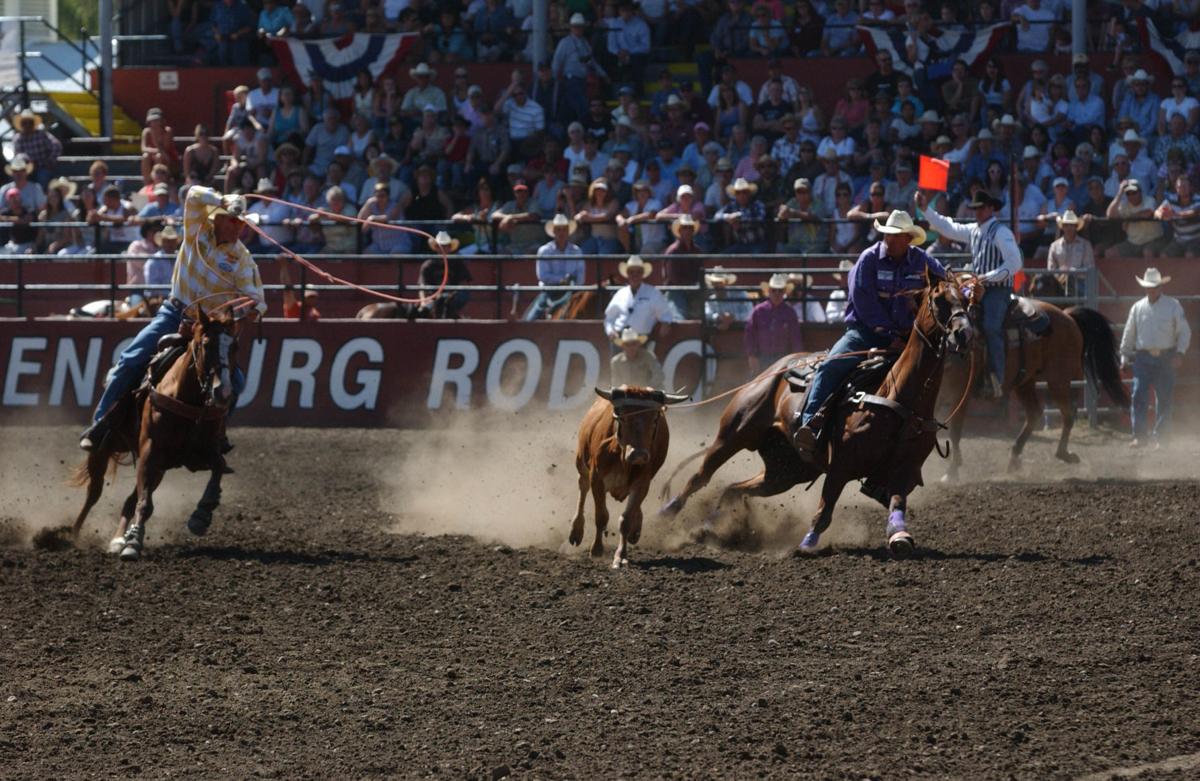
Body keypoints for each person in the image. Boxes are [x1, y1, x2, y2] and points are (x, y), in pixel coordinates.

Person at [79, 187, 265, 451]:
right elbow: (193, 195)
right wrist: (221, 200)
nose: (239, 227)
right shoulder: (196, 233)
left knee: (236, 383)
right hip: (174, 313)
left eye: (242, 222)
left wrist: (243, 311)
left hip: (209, 326)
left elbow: (256, 299)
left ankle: (216, 436)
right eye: (233, 220)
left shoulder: (243, 259)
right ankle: (100, 425)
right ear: (219, 218)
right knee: (130, 359)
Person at [791, 211, 946, 461]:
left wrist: (969, 287)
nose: (890, 239)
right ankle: (809, 424)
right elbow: (864, 303)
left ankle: (917, 434)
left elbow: (945, 284)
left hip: (908, 339)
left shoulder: (922, 261)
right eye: (887, 234)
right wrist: (888, 332)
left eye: (896, 236)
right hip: (866, 334)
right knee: (831, 366)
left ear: (908, 238)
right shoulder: (869, 259)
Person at [917, 190, 1019, 398]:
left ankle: (997, 378)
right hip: (976, 287)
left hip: (997, 289)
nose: (978, 212)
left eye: (981, 208)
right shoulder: (975, 230)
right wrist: (926, 209)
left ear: (991, 208)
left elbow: (1015, 263)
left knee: (991, 326)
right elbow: (949, 227)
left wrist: (986, 277)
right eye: (975, 208)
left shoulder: (1001, 233)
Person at [1119, 268, 1191, 449]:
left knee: (1164, 398)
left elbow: (1184, 332)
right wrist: (1124, 355)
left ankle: (1162, 437)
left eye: (1153, 287)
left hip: (1166, 356)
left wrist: (1180, 353)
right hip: (1143, 357)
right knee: (1138, 394)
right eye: (1148, 287)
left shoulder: (1173, 305)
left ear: (1160, 287)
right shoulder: (1138, 307)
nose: (1150, 290)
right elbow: (1129, 332)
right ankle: (1140, 436)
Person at [525, 214, 585, 320]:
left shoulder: (576, 251)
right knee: (531, 318)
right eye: (558, 229)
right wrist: (562, 280)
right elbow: (543, 276)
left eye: (564, 229)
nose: (561, 233)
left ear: (568, 232)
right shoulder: (544, 251)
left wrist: (571, 284)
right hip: (549, 291)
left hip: (571, 291)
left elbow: (581, 276)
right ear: (553, 232)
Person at [604, 255, 674, 341]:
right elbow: (609, 318)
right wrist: (610, 331)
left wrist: (665, 323)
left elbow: (666, 314)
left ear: (642, 274)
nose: (635, 275)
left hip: (642, 339)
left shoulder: (653, 293)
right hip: (620, 338)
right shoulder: (620, 293)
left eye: (638, 272)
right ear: (627, 275)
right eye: (631, 272)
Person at [744, 273, 803, 374]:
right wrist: (752, 356)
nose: (777, 293)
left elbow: (795, 337)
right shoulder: (759, 311)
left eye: (780, 290)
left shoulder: (790, 312)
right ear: (769, 291)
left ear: (784, 292)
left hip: (783, 359)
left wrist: (797, 357)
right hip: (762, 357)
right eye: (774, 290)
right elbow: (750, 334)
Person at [1045, 211, 1093, 298]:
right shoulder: (1054, 246)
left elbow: (1089, 268)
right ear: (1062, 227)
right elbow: (1051, 269)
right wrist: (1061, 274)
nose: (1069, 228)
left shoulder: (1085, 245)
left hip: (1079, 284)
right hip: (1059, 285)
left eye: (1072, 225)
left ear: (1076, 227)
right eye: (1066, 225)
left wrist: (1071, 271)